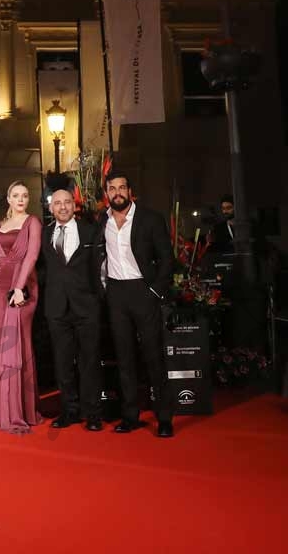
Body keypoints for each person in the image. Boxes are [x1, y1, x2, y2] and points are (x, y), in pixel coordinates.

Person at [101, 171, 176, 438]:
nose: (117, 192)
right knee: (124, 358)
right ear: (107, 193)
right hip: (117, 294)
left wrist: (155, 291)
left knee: (154, 357)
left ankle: (164, 418)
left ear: (130, 191)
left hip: (144, 290)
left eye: (122, 187)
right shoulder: (103, 220)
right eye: (112, 188)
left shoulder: (150, 219)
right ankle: (130, 416)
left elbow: (167, 259)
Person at [0, 180, 43, 433]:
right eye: (16, 195)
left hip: (22, 285)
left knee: (17, 341)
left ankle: (20, 408)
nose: (20, 199)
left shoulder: (33, 222)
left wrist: (19, 287)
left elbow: (32, 255)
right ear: (8, 198)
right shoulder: (0, 225)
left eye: (25, 195)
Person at [41, 189, 105, 431]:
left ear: (74, 205)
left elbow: (99, 266)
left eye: (67, 202)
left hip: (86, 306)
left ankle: (93, 414)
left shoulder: (90, 231)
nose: (63, 207)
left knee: (90, 361)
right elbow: (38, 268)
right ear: (51, 208)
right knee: (62, 362)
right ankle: (69, 411)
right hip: (56, 307)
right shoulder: (44, 234)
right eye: (58, 203)